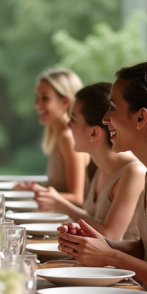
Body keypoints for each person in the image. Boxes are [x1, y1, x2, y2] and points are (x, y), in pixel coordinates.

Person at [58, 61, 147, 294]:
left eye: (113, 108)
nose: (105, 119)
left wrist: (112, 257)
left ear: (141, 117)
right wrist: (100, 243)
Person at [35, 82, 145, 240]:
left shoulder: (134, 172)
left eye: (73, 119)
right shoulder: (101, 168)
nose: (67, 124)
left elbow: (111, 235)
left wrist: (62, 205)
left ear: (94, 132)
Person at [20, 68, 90, 203]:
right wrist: (34, 187)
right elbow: (59, 189)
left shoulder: (68, 138)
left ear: (65, 102)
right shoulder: (60, 136)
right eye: (37, 97)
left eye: (44, 98)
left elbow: (76, 198)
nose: (36, 104)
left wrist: (36, 191)